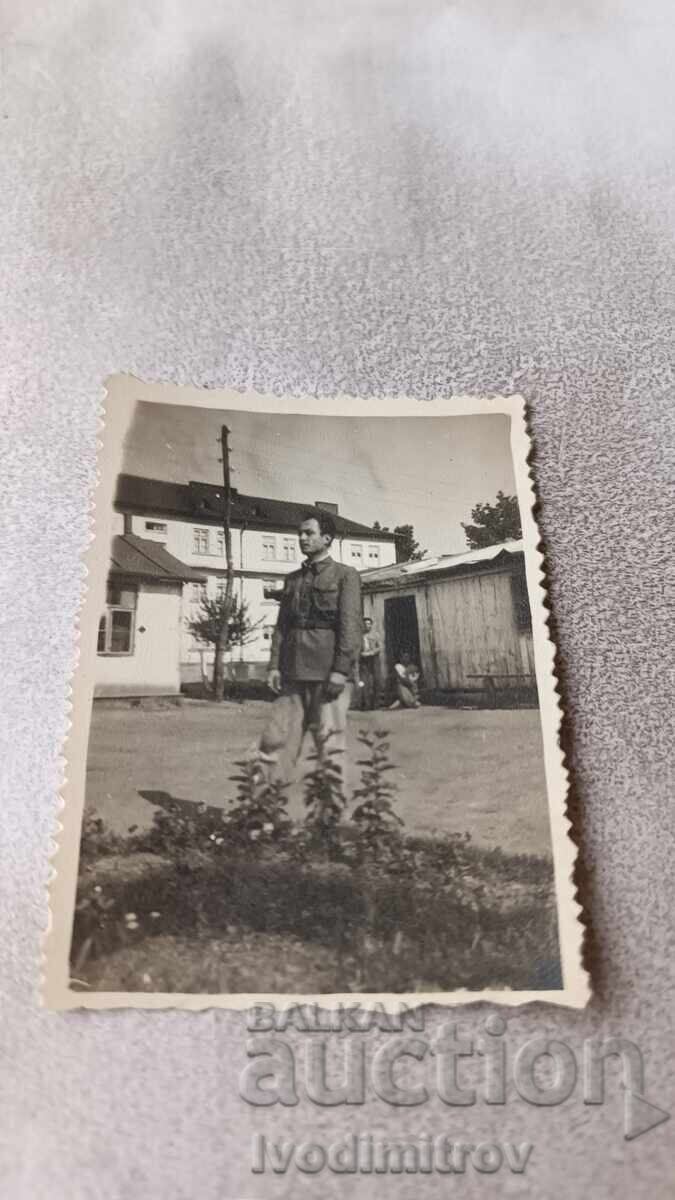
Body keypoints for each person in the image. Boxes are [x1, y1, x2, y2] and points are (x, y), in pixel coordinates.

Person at [257, 512, 362, 781]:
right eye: (300, 533)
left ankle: (328, 818)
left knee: (329, 747)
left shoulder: (345, 575)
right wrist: (273, 666)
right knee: (274, 743)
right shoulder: (293, 580)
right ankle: (264, 814)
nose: (301, 538)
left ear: (326, 538)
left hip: (327, 674)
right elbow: (282, 626)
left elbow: (350, 626)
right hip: (292, 673)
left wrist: (340, 670)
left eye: (309, 533)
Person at [358, 616, 382, 710]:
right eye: (365, 624)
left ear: (371, 625)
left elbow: (379, 647)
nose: (367, 626)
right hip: (363, 660)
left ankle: (376, 704)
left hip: (374, 659)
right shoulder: (359, 636)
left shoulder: (375, 635)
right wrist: (360, 654)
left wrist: (371, 653)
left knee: (376, 681)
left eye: (369, 624)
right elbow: (356, 648)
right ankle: (366, 704)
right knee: (364, 682)